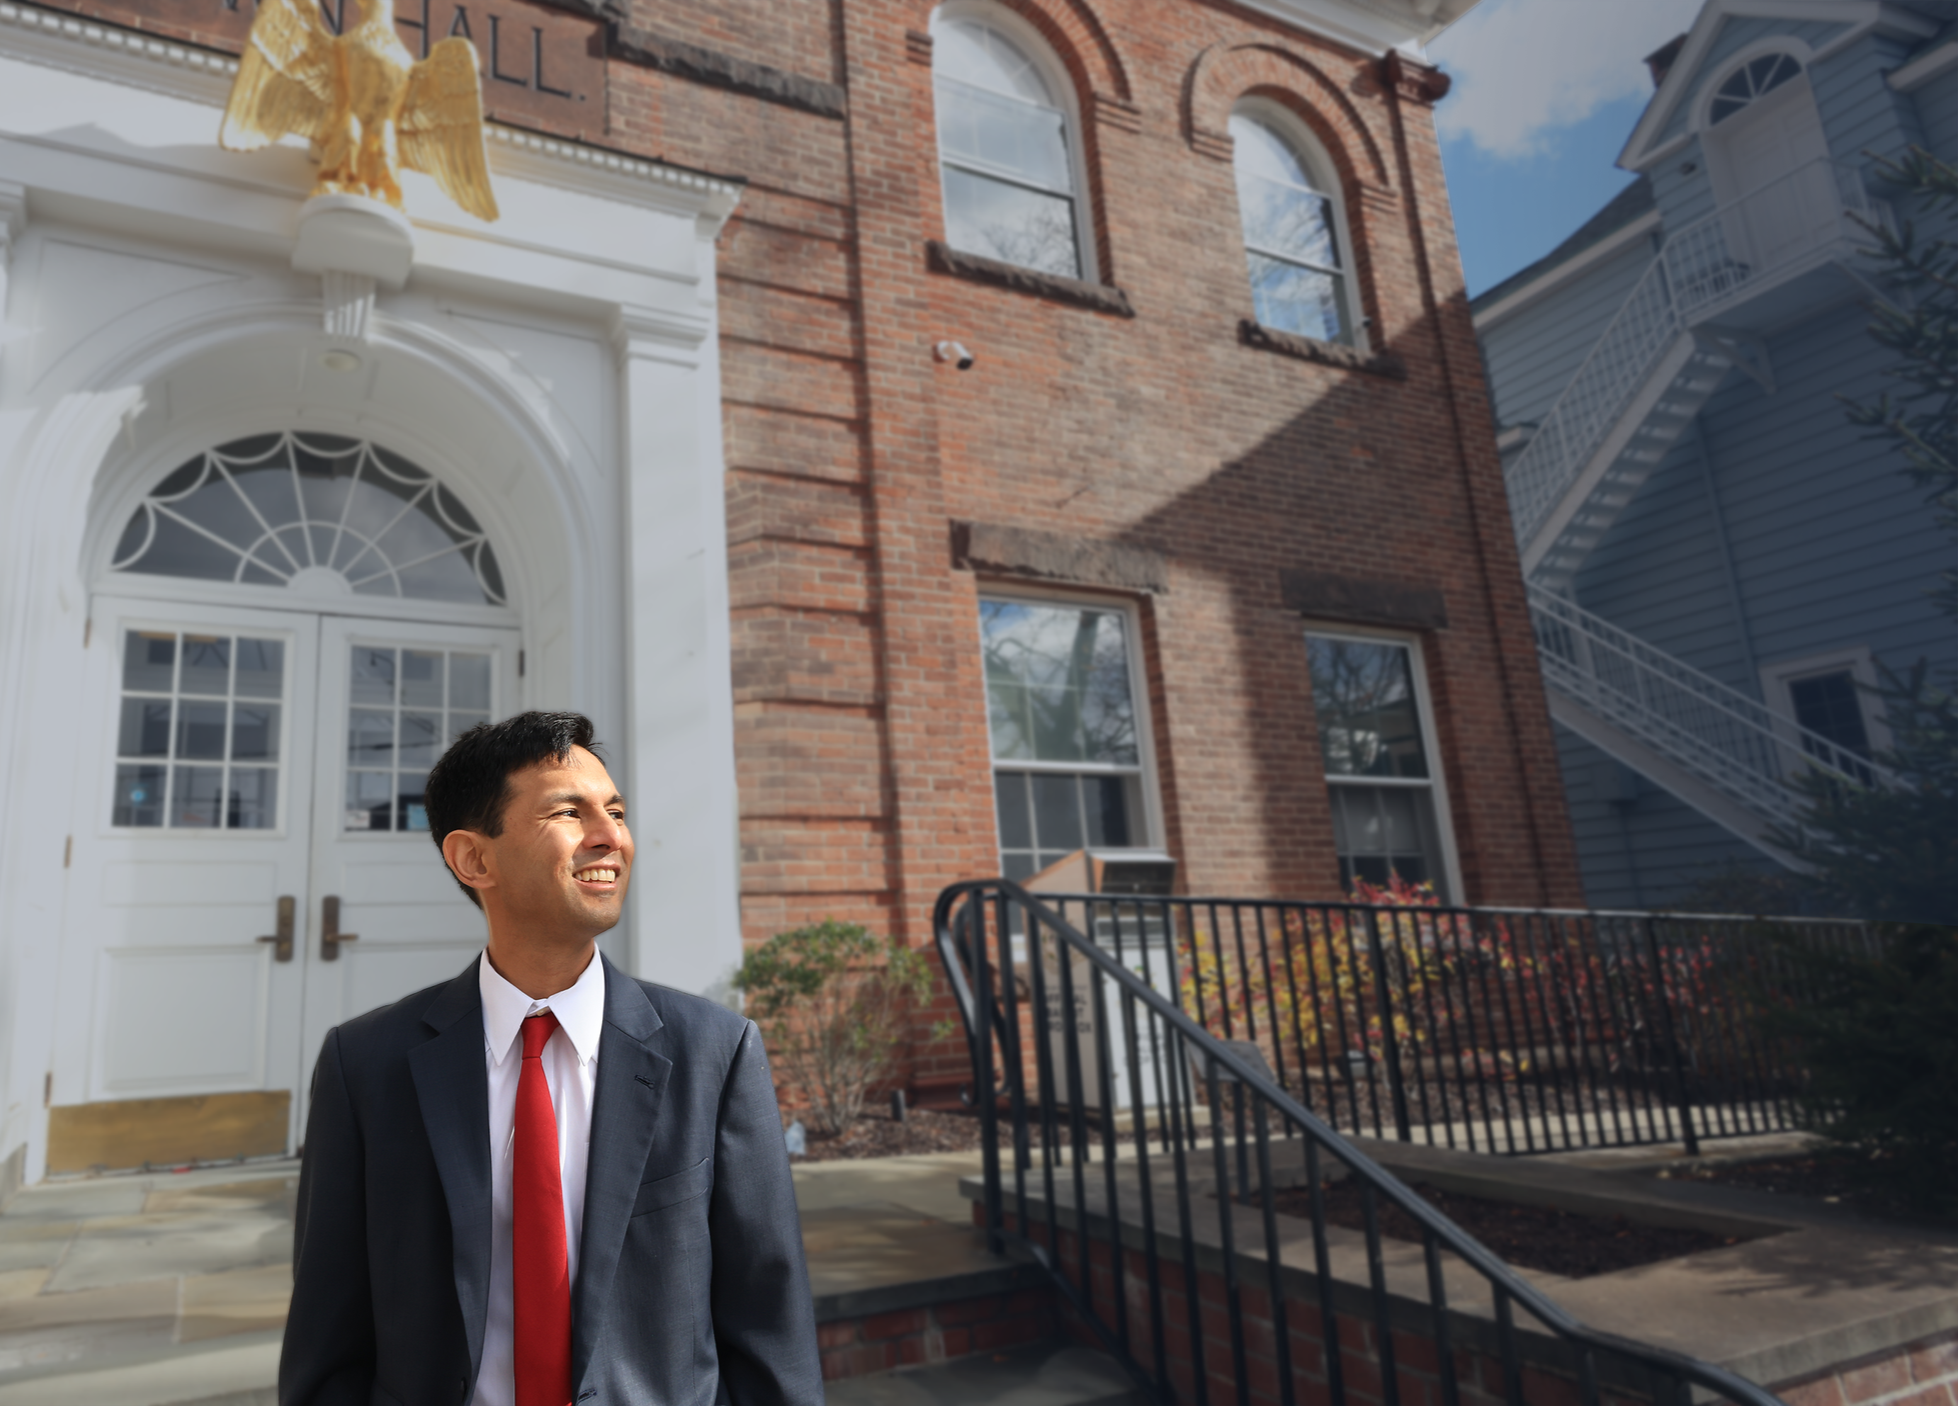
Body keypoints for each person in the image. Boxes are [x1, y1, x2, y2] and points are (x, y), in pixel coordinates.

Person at [279, 711, 820, 1406]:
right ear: (474, 859)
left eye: (615, 811)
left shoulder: (714, 1050)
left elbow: (771, 1320)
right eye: (570, 811)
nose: (611, 837)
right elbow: (329, 1338)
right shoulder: (366, 1065)